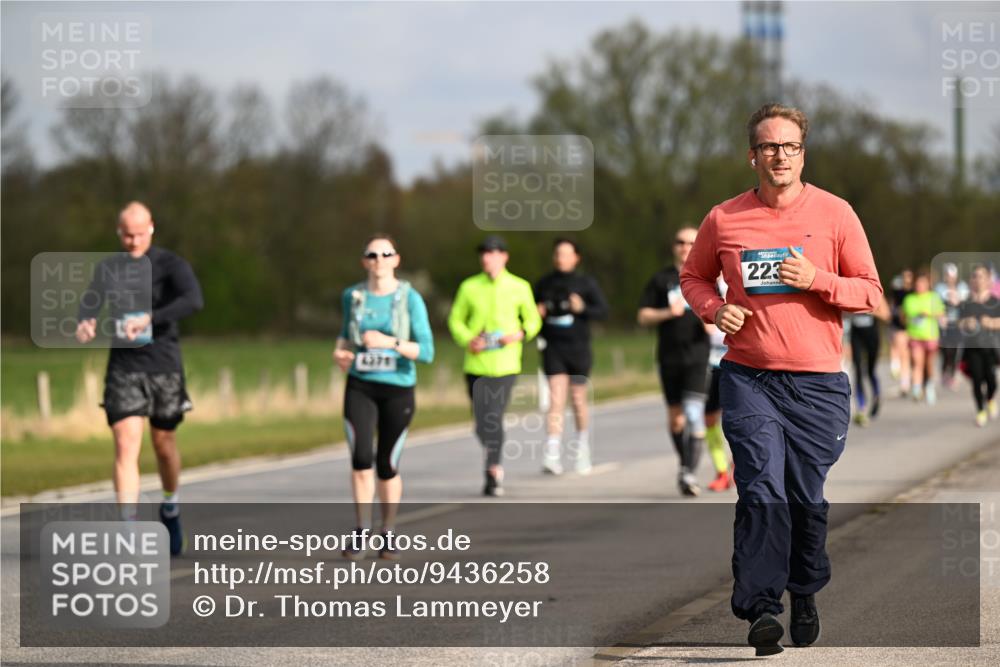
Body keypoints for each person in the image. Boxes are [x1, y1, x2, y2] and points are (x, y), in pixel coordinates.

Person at [681, 104, 882, 656]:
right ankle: (763, 608)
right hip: (750, 378)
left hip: (817, 384)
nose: (779, 155)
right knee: (761, 488)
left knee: (804, 498)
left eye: (789, 146)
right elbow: (694, 276)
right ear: (753, 156)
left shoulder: (836, 213)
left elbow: (870, 290)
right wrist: (713, 308)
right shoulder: (724, 218)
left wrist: (818, 279)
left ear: (802, 154)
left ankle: (804, 588)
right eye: (768, 146)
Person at [75, 202, 203, 556]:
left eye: (140, 233)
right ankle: (128, 530)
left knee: (163, 445)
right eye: (127, 235)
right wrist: (85, 321)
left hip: (163, 364)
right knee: (126, 442)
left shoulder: (171, 265)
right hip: (124, 366)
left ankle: (170, 506)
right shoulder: (109, 268)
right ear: (119, 232)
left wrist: (151, 317)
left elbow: (194, 300)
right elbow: (89, 302)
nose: (133, 241)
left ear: (152, 228)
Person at [333, 234, 434, 560]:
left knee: (386, 464)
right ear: (364, 261)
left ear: (396, 260)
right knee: (361, 459)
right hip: (361, 385)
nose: (378, 261)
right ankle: (362, 529)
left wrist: (388, 343)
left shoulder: (410, 298)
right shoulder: (353, 296)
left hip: (398, 388)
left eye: (385, 254)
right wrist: (341, 354)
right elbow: (345, 337)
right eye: (372, 255)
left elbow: (427, 351)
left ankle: (388, 532)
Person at [448, 235, 542, 497]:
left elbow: (533, 319)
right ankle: (493, 450)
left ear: (504, 256)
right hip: (476, 364)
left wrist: (519, 334)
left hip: (505, 364)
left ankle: (493, 470)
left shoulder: (519, 286)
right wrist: (469, 340)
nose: (486, 258)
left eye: (492, 253)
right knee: (481, 424)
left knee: (494, 417)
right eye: (484, 254)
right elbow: (455, 320)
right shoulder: (469, 287)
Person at [638, 226, 710, 497]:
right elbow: (643, 316)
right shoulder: (661, 279)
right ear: (674, 246)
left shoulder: (708, 278)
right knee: (677, 420)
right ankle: (685, 465)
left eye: (691, 242)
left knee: (694, 414)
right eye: (680, 242)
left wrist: (713, 323)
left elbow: (726, 311)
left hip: (698, 356)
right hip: (669, 357)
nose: (685, 247)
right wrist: (668, 312)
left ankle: (688, 472)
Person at [534, 238, 609, 476]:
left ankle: (582, 449)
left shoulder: (585, 283)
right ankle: (552, 454)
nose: (561, 258)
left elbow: (603, 311)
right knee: (556, 400)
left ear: (576, 257)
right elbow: (527, 313)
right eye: (558, 254)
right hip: (553, 347)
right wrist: (537, 313)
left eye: (566, 254)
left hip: (578, 348)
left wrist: (582, 308)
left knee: (578, 400)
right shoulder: (544, 283)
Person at [958, 264, 1000, 427]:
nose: (978, 280)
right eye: (975, 276)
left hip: (990, 347)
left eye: (982, 276)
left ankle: (989, 399)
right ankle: (980, 411)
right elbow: (958, 323)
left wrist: (990, 323)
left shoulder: (995, 302)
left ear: (989, 280)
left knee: (991, 381)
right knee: (976, 379)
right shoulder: (966, 303)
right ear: (971, 280)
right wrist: (966, 323)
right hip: (972, 348)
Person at [704, 275, 734, 492]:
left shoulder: (738, 276)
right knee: (709, 418)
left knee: (735, 419)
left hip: (736, 358)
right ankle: (722, 470)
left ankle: (735, 467)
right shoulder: (703, 281)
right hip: (709, 362)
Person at [902, 269, 945, 405]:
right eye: (918, 284)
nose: (920, 286)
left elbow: (941, 314)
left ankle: (929, 386)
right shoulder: (909, 299)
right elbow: (904, 316)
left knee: (929, 364)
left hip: (931, 336)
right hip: (915, 335)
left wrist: (929, 313)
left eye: (923, 283)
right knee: (917, 362)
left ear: (927, 284)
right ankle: (916, 389)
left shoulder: (934, 297)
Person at [847, 296, 891, 426]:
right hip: (856, 336)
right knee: (858, 370)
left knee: (871, 370)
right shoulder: (852, 292)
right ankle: (861, 407)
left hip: (872, 336)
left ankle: (876, 395)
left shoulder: (875, 293)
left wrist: (869, 309)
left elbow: (886, 315)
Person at [936, 263, 969, 390]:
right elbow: (937, 304)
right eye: (948, 276)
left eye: (952, 276)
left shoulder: (962, 287)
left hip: (957, 324)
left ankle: (954, 375)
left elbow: (965, 305)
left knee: (955, 351)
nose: (950, 278)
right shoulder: (939, 288)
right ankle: (945, 372)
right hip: (944, 325)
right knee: (945, 351)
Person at [889, 269, 913, 394]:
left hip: (911, 327)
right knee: (899, 349)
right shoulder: (898, 292)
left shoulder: (913, 293)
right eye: (905, 276)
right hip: (898, 325)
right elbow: (893, 307)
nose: (907, 279)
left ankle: (905, 381)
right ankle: (895, 366)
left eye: (909, 276)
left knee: (906, 354)